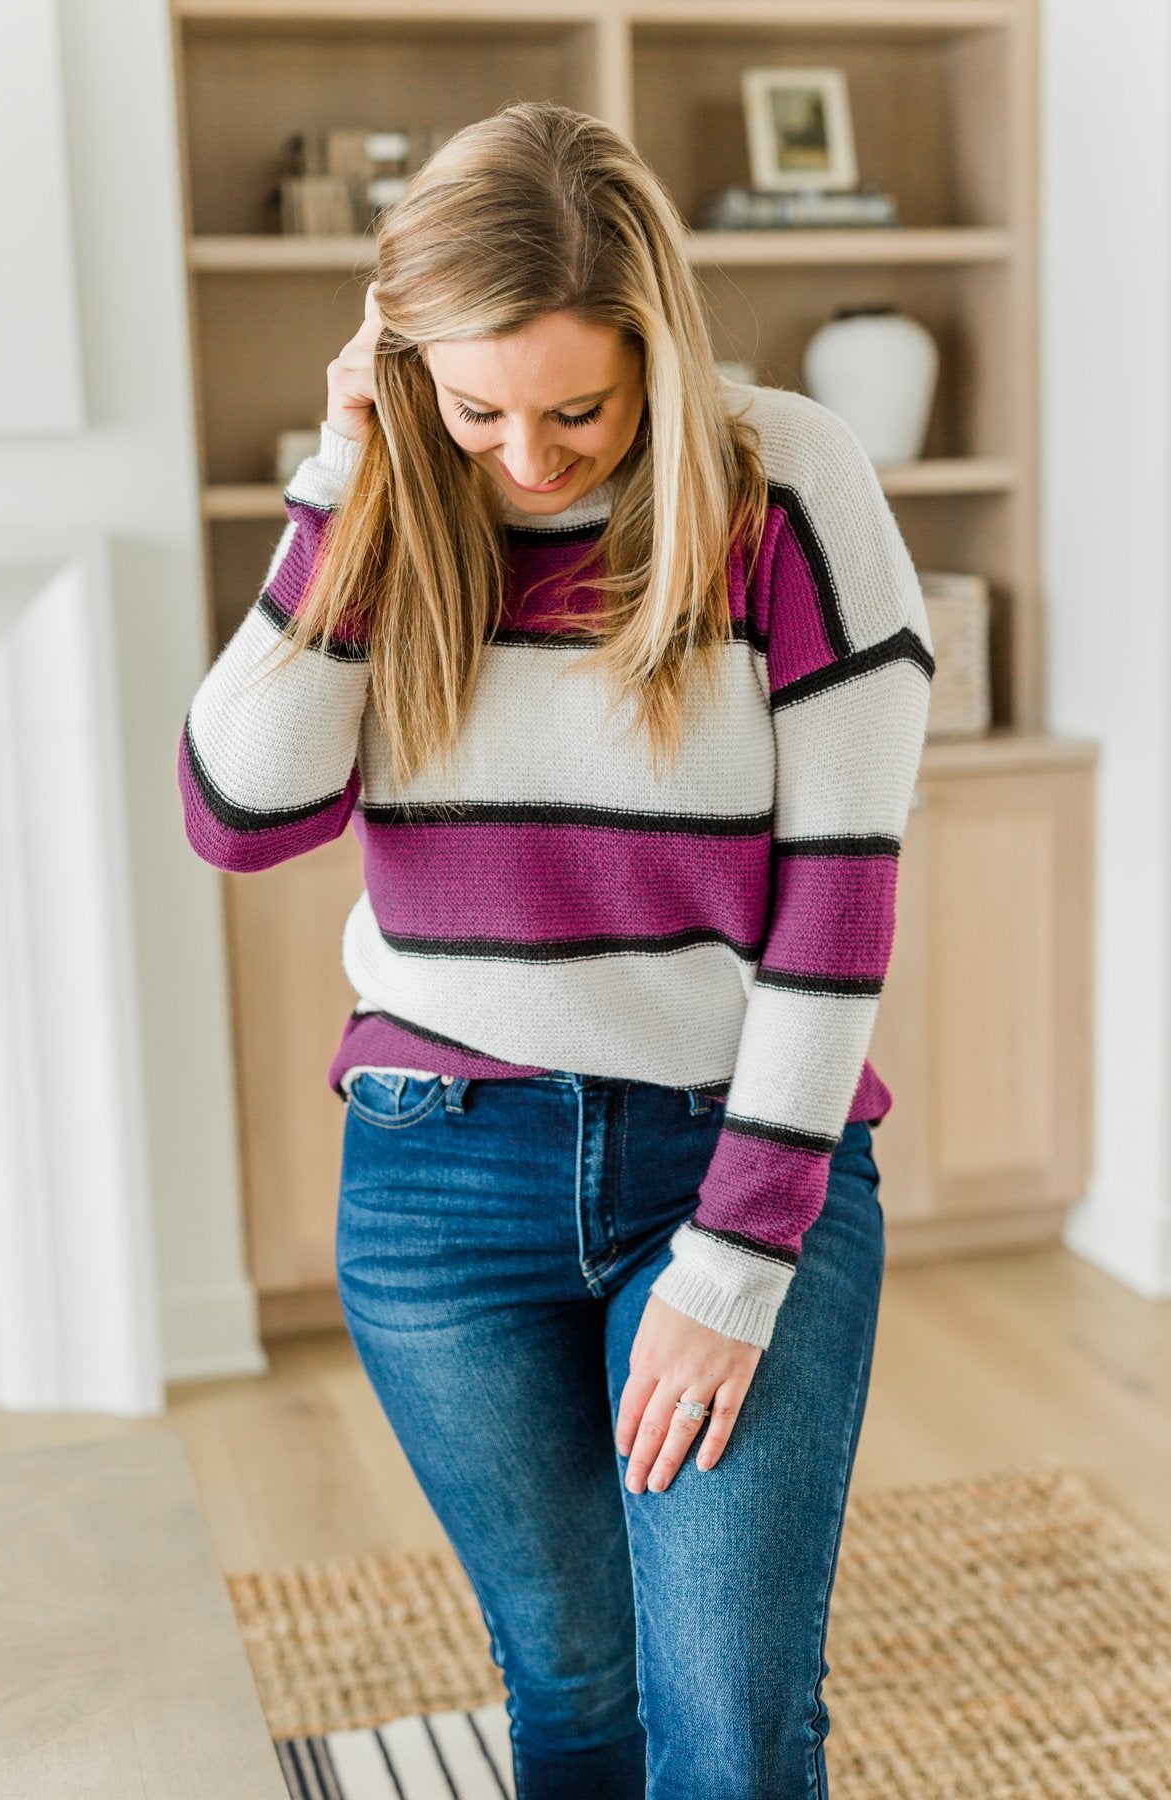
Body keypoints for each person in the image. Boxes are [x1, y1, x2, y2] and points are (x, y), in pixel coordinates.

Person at [178, 100, 934, 1800]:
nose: (527, 459)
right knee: (574, 1694)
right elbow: (236, 811)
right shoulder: (399, 496)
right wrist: (351, 471)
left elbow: (838, 906)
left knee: (729, 1728)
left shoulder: (785, 481)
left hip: (728, 1163)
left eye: (580, 408)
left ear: (657, 354)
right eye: (475, 408)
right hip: (442, 1187)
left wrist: (732, 1271)